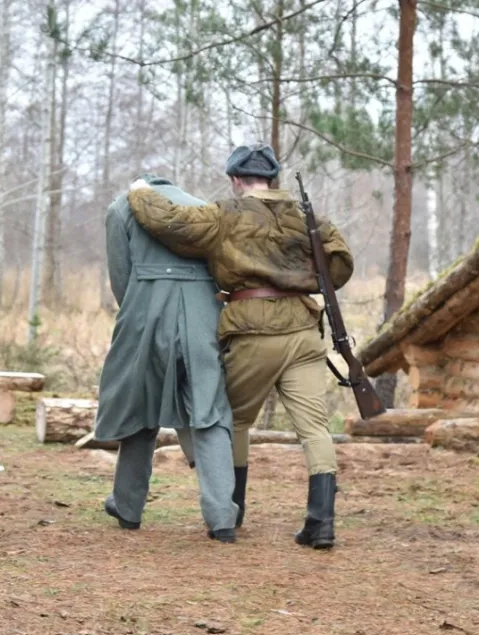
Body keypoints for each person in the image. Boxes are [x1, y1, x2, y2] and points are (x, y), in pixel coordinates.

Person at [127, 145, 354, 549]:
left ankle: (233, 509)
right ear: (272, 179)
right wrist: (298, 278)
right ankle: (321, 523)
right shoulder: (308, 218)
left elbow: (170, 222)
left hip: (253, 330)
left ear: (235, 180)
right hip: (303, 331)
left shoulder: (225, 214)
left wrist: (140, 190)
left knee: (231, 421)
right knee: (315, 429)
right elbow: (339, 266)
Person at [96, 174, 239, 544]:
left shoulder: (120, 208)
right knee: (209, 410)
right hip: (203, 314)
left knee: (138, 408)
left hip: (145, 309)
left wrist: (139, 311)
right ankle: (222, 517)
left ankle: (128, 509)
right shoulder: (203, 208)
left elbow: (120, 277)